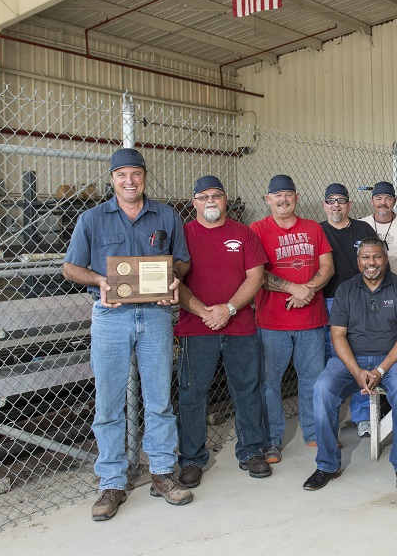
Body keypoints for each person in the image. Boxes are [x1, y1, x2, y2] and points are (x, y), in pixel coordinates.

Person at [63, 147, 191, 521]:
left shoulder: (166, 215)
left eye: (136, 173)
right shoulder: (91, 219)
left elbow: (182, 259)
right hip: (111, 317)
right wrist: (101, 280)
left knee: (159, 400)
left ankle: (163, 474)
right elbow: (71, 268)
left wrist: (174, 277)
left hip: (154, 317)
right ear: (112, 179)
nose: (130, 181)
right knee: (108, 405)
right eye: (122, 175)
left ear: (144, 177)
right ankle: (112, 483)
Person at [303, 237, 397, 492]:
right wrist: (356, 371)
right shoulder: (345, 290)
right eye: (366, 258)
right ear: (358, 261)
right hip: (350, 360)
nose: (371, 263)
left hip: (392, 359)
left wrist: (380, 370)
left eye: (377, 257)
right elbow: (337, 335)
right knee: (323, 389)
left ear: (385, 259)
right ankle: (326, 464)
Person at [175, 176, 271, 488]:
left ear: (226, 199)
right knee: (192, 394)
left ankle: (251, 450)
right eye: (203, 197)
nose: (211, 201)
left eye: (216, 195)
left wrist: (228, 309)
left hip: (239, 325)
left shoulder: (244, 234)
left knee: (247, 389)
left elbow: (255, 276)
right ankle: (191, 458)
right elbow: (173, 280)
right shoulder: (183, 235)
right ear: (194, 202)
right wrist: (205, 312)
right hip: (195, 327)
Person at [250, 174, 334, 463]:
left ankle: (313, 432)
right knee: (269, 382)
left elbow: (327, 266)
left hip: (311, 319)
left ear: (296, 198)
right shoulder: (257, 230)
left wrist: (307, 289)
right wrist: (291, 288)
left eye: (288, 194)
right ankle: (272, 440)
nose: (283, 199)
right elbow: (256, 274)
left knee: (313, 378)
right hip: (272, 321)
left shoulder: (312, 228)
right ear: (268, 199)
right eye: (277, 195)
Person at [318, 183, 376, 437]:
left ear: (349, 205)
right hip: (329, 301)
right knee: (335, 359)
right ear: (325, 206)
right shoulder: (317, 231)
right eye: (331, 201)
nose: (336, 205)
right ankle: (332, 415)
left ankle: (363, 416)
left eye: (341, 200)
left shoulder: (363, 229)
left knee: (362, 354)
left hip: (361, 303)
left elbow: (376, 263)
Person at [360, 181, 397, 290]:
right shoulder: (361, 225)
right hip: (367, 288)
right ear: (372, 201)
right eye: (378, 198)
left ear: (395, 201)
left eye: (388, 198)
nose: (383, 202)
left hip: (396, 288)